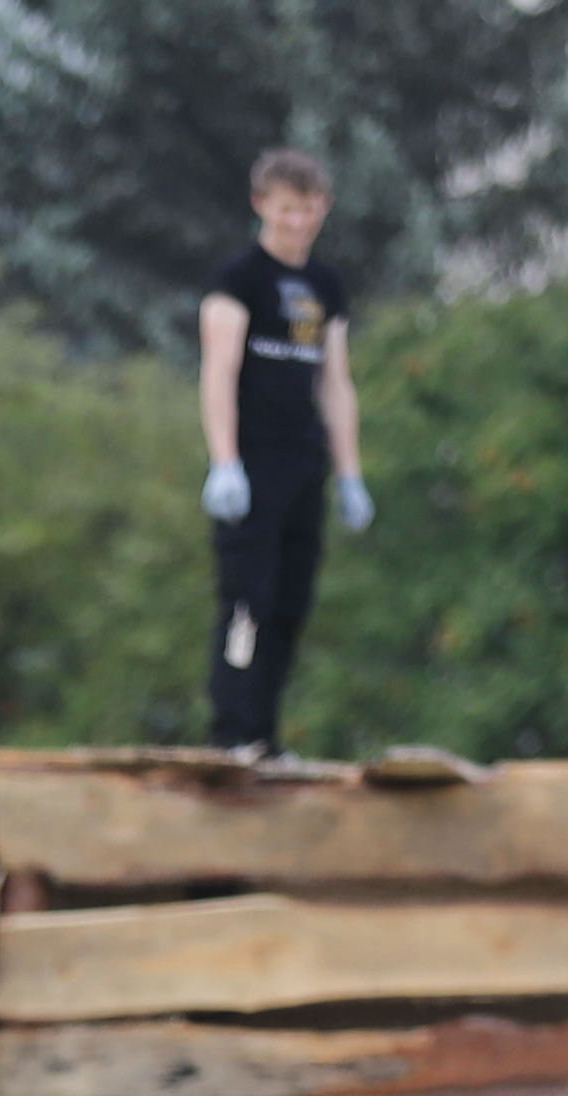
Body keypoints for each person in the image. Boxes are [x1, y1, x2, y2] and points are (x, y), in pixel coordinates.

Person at [198, 146, 373, 755]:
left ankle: (266, 734)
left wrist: (349, 473)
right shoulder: (238, 279)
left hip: (306, 465)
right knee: (249, 601)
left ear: (322, 208)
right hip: (252, 464)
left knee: (290, 605)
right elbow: (218, 370)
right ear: (262, 207)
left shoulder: (325, 286)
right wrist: (225, 459)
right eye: (285, 211)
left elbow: (335, 381)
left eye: (308, 210)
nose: (297, 222)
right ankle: (232, 732)